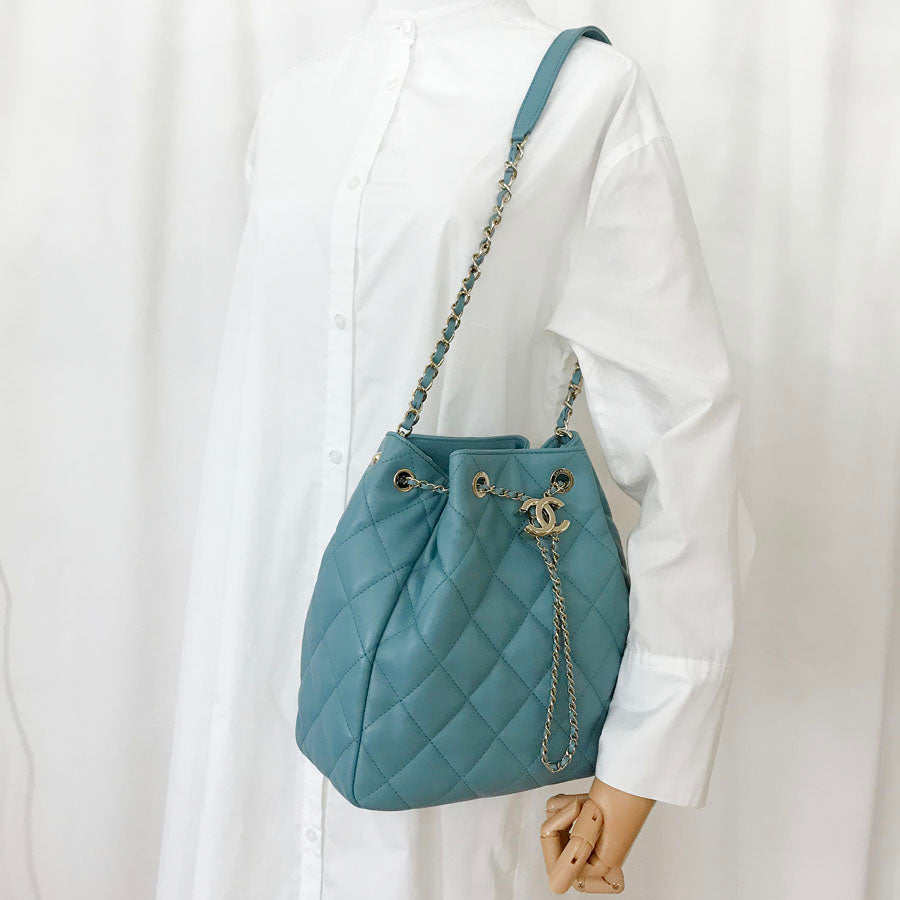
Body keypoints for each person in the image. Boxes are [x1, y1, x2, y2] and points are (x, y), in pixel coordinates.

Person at [156, 2, 755, 898]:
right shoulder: (293, 101)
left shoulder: (586, 93)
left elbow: (686, 432)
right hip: (263, 672)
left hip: (458, 675)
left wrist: (641, 759)